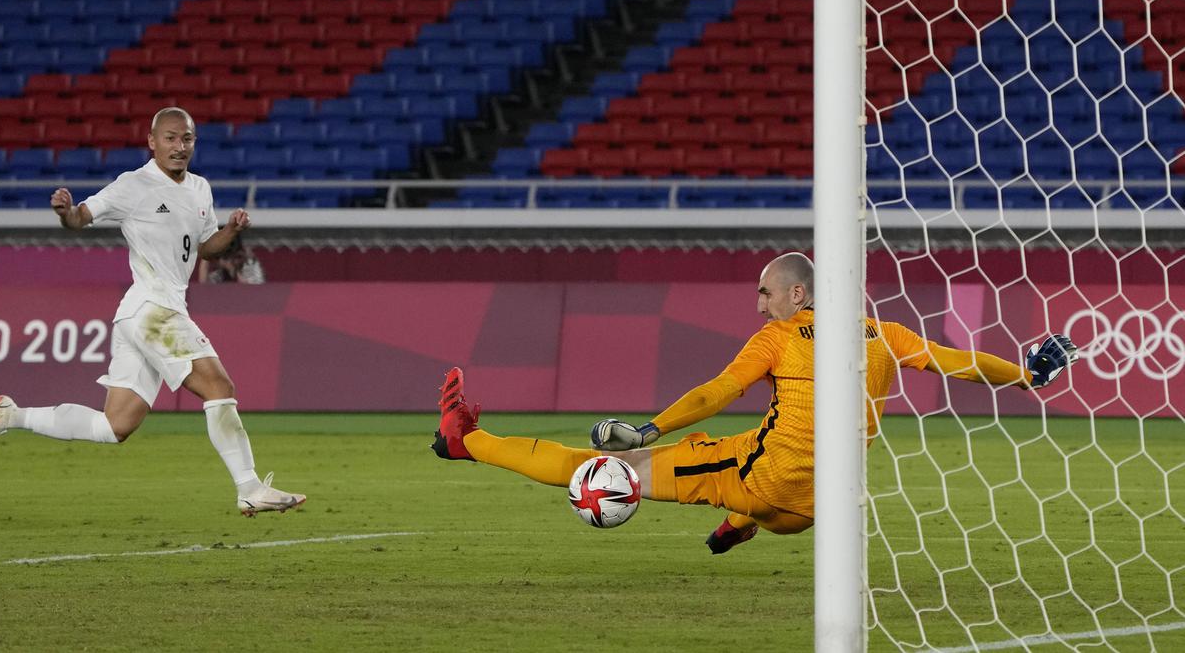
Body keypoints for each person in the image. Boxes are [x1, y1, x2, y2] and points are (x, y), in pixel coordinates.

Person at [432, 252, 1077, 553]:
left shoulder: (781, 337)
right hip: (820, 509)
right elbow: (959, 362)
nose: (759, 304)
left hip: (760, 479)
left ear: (798, 295)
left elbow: (717, 391)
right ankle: (738, 527)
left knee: (596, 470)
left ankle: (468, 442)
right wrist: (1027, 375)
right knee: (763, 471)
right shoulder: (884, 333)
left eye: (766, 292)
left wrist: (648, 429)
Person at [0, 107, 305, 517]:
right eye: (171, 138)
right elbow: (81, 218)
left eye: (187, 139)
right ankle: (249, 488)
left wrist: (230, 230)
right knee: (219, 386)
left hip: (141, 315)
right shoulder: (134, 185)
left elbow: (204, 247)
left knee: (115, 426)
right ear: (152, 142)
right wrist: (66, 212)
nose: (179, 146)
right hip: (151, 310)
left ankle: (12, 416)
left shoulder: (199, 188)